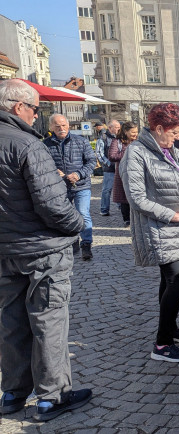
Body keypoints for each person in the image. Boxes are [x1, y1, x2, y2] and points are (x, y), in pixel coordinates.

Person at [0, 78, 93, 422]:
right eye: (36, 109)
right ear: (18, 107)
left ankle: (12, 392)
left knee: (10, 321)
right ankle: (52, 397)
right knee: (48, 322)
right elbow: (53, 205)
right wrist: (78, 225)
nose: (38, 115)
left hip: (6, 248)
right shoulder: (28, 144)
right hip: (41, 249)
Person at [120, 103, 179, 363]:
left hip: (176, 230)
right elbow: (136, 198)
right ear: (158, 128)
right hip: (158, 228)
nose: (178, 137)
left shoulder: (169, 150)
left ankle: (170, 328)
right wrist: (174, 215)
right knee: (178, 278)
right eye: (174, 132)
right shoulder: (136, 153)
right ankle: (162, 344)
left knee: (169, 280)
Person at [44, 114, 97, 261]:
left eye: (63, 125)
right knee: (65, 216)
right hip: (59, 187)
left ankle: (86, 244)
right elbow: (42, 164)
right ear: (51, 128)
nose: (61, 128)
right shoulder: (45, 144)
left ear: (68, 126)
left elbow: (91, 161)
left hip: (81, 185)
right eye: (57, 126)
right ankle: (72, 242)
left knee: (83, 213)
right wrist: (53, 171)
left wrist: (79, 174)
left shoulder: (80, 141)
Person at [109, 121, 138, 227]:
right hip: (123, 173)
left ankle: (136, 218)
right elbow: (112, 156)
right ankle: (127, 219)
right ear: (126, 132)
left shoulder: (139, 141)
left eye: (136, 132)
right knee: (124, 197)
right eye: (133, 132)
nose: (135, 134)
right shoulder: (117, 142)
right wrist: (128, 150)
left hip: (137, 173)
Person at [95, 119, 120, 217]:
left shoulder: (120, 137)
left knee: (120, 189)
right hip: (109, 169)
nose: (119, 129)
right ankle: (104, 209)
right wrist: (108, 163)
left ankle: (121, 207)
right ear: (110, 128)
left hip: (119, 168)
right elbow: (99, 153)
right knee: (107, 190)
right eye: (116, 127)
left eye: (119, 127)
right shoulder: (103, 137)